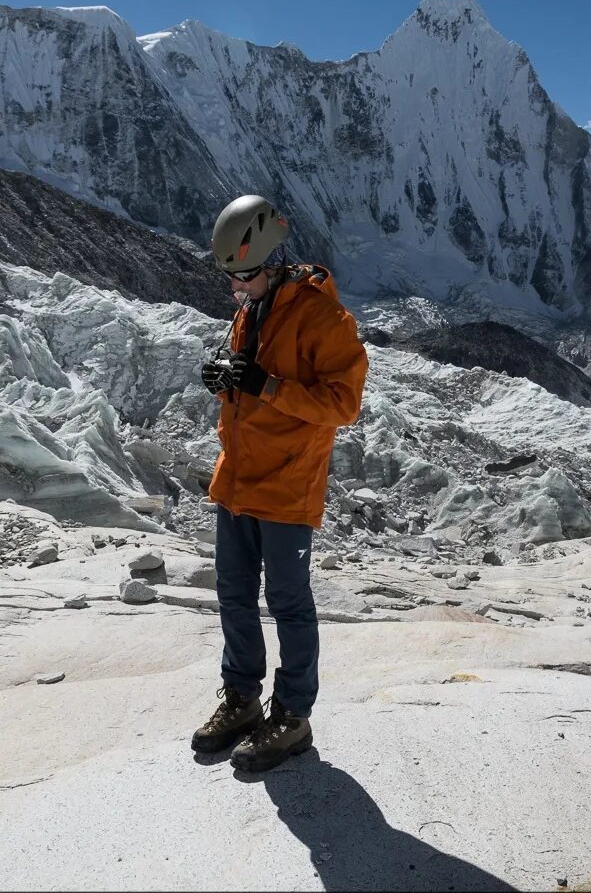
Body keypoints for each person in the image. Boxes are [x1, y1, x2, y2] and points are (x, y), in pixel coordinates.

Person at [192, 195, 369, 773]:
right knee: (234, 595)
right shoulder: (254, 308)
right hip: (239, 479)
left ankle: (292, 716)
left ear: (272, 257)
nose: (237, 287)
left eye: (245, 274)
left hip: (288, 485)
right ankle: (242, 700)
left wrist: (267, 387)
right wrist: (225, 381)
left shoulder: (324, 318)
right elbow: (250, 388)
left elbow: (344, 404)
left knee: (288, 602)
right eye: (232, 278)